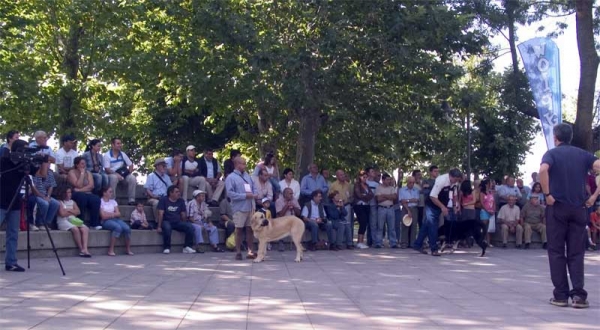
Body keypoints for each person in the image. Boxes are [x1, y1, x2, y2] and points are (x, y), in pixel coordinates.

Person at [539, 123, 600, 308]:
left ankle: (561, 295)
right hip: (579, 208)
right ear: (571, 137)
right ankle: (579, 296)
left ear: (556, 138)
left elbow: (543, 170)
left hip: (557, 207)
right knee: (576, 252)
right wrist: (595, 196)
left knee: (556, 252)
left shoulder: (551, 154)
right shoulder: (583, 155)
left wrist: (547, 194)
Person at [413, 168, 463, 257]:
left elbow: (454, 194)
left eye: (457, 180)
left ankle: (417, 244)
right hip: (432, 204)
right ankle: (434, 249)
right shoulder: (441, 180)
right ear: (450, 176)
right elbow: (432, 196)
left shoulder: (454, 182)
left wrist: (456, 205)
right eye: (455, 179)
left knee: (426, 225)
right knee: (433, 225)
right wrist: (443, 207)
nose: (456, 181)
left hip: (441, 204)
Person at [0, 139, 29, 271]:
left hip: (16, 202)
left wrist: (44, 161)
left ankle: (11, 262)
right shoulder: (4, 161)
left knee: (13, 233)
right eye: (23, 150)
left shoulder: (24, 164)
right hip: (2, 201)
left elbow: (42, 174)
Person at [224, 156, 258, 260]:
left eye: (245, 163)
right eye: (243, 164)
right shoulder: (231, 177)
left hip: (250, 206)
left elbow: (254, 187)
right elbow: (230, 194)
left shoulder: (248, 176)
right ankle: (238, 251)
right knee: (238, 230)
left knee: (250, 229)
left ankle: (250, 251)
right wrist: (244, 196)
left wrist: (255, 194)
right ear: (237, 165)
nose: (245, 166)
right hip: (239, 207)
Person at [156, 185, 197, 254]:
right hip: (166, 221)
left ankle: (187, 247)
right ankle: (166, 247)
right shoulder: (163, 200)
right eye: (176, 192)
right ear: (170, 193)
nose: (179, 193)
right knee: (167, 228)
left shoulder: (181, 201)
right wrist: (159, 226)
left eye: (179, 192)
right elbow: (160, 214)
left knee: (190, 227)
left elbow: (183, 214)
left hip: (177, 222)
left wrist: (185, 224)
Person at [55, 185, 91, 257]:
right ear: (63, 193)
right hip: (63, 221)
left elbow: (78, 212)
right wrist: (73, 211)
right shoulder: (59, 202)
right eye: (68, 192)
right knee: (75, 229)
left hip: (72, 219)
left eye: (70, 192)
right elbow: (62, 214)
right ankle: (81, 249)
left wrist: (69, 210)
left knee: (85, 228)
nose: (70, 194)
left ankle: (85, 248)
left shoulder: (73, 202)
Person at [67, 157, 102, 230]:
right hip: (75, 194)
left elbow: (91, 186)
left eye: (85, 164)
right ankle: (80, 222)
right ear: (77, 165)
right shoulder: (72, 173)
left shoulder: (88, 173)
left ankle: (94, 223)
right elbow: (78, 184)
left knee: (96, 199)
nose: (84, 165)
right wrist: (82, 173)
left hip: (84, 192)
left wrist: (80, 190)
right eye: (82, 164)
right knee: (82, 197)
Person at [99, 187, 133, 256]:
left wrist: (109, 214)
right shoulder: (100, 201)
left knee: (127, 228)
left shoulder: (113, 202)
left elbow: (119, 213)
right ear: (104, 193)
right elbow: (103, 216)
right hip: (105, 221)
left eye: (112, 192)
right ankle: (111, 249)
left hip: (115, 219)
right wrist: (113, 214)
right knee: (118, 227)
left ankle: (128, 249)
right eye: (110, 192)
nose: (111, 193)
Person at [103, 138, 136, 205]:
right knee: (113, 178)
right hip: (111, 173)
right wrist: (116, 174)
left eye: (120, 143)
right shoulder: (107, 155)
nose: (120, 145)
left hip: (122, 174)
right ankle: (112, 200)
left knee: (132, 178)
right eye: (118, 143)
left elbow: (130, 165)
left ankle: (131, 200)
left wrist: (127, 173)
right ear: (112, 145)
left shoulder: (122, 154)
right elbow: (107, 169)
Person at [329, 170, 354, 244]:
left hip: (346, 205)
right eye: (341, 175)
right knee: (341, 223)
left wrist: (348, 201)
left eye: (343, 175)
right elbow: (330, 195)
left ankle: (348, 242)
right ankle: (340, 242)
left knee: (348, 223)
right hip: (336, 206)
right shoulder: (333, 185)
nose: (343, 176)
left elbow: (351, 195)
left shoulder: (348, 185)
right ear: (337, 176)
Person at [375, 173, 398, 248]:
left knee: (391, 227)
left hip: (390, 208)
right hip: (381, 209)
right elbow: (378, 199)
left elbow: (394, 197)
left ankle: (393, 242)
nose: (389, 181)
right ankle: (378, 242)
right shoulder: (378, 187)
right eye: (387, 180)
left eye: (389, 179)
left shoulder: (392, 188)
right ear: (383, 180)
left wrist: (383, 195)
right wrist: (389, 197)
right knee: (380, 227)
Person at [353, 170, 373, 249]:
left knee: (365, 223)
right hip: (359, 205)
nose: (365, 178)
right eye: (363, 177)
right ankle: (359, 241)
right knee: (362, 222)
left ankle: (361, 241)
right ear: (360, 177)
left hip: (366, 205)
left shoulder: (367, 185)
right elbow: (358, 195)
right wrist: (366, 196)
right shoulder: (357, 185)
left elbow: (371, 194)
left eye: (366, 177)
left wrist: (365, 196)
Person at [398, 176, 419, 248]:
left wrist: (407, 200)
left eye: (413, 182)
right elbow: (402, 201)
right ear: (407, 182)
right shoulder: (402, 190)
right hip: (405, 208)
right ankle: (404, 243)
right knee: (405, 225)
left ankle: (412, 243)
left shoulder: (416, 190)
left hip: (414, 208)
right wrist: (408, 210)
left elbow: (416, 200)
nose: (412, 184)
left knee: (414, 226)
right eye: (410, 182)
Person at [479, 178, 496, 247]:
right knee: (484, 227)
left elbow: (494, 202)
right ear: (486, 184)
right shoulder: (482, 193)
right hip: (484, 211)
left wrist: (493, 210)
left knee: (489, 228)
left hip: (491, 211)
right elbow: (482, 203)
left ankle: (489, 242)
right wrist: (487, 210)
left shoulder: (491, 192)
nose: (491, 184)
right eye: (490, 183)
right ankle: (482, 240)